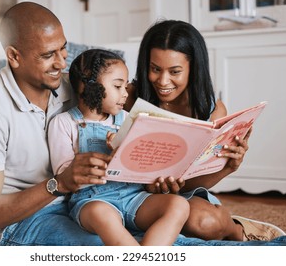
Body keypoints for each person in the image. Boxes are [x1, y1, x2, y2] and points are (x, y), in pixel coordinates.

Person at [0, 1, 286, 246]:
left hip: (105, 199)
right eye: (49, 55)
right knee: (109, 249)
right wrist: (59, 184)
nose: (61, 63)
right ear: (14, 56)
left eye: (64, 51)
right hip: (27, 223)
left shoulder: (69, 87)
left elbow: (110, 94)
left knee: (168, 226)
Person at [124, 19, 285, 241]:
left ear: (193, 68)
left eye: (175, 71)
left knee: (204, 222)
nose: (162, 81)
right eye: (155, 69)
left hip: (180, 195)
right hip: (128, 194)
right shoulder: (126, 97)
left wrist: (228, 167)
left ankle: (241, 232)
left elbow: (194, 182)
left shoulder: (212, 111)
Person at [48, 48, 189, 246]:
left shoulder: (126, 119)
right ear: (88, 85)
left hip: (134, 196)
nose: (125, 93)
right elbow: (66, 177)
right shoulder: (64, 123)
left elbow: (142, 168)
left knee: (179, 205)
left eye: (126, 86)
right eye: (117, 86)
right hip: (92, 200)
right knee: (101, 214)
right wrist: (113, 156)